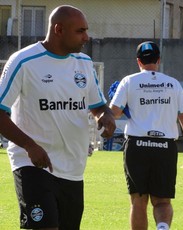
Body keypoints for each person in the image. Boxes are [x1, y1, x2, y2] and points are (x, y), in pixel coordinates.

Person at [0, 5, 115, 230]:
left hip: (73, 168)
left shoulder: (84, 63)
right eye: (80, 31)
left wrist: (106, 117)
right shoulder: (23, 61)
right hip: (33, 164)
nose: (86, 37)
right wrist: (30, 146)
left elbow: (99, 105)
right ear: (58, 29)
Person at [109, 41, 183, 230]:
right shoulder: (173, 84)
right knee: (162, 201)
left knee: (138, 202)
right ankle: (162, 227)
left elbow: (113, 114)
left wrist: (113, 107)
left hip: (137, 146)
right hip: (165, 148)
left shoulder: (129, 81)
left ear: (138, 61)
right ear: (158, 60)